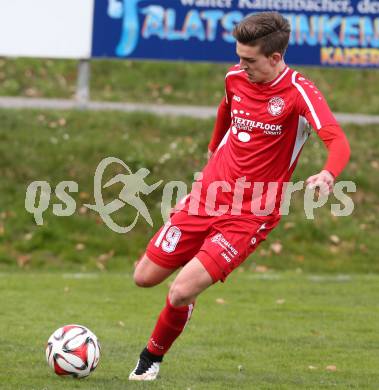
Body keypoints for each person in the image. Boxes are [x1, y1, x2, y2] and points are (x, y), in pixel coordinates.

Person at [128, 12, 350, 381]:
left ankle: (151, 357)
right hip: (208, 195)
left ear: (275, 58)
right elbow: (226, 110)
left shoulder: (299, 93)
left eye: (250, 60)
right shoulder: (235, 77)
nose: (241, 65)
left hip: (252, 212)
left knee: (180, 290)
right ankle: (187, 296)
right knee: (144, 277)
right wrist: (214, 150)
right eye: (239, 56)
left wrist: (329, 173)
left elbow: (337, 139)